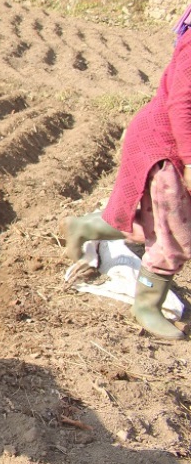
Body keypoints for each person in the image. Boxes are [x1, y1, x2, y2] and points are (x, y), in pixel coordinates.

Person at [61, 29, 191, 340]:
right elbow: (183, 104)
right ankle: (147, 306)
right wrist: (190, 160)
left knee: (153, 223)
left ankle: (85, 227)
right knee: (172, 231)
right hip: (165, 147)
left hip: (170, 146)